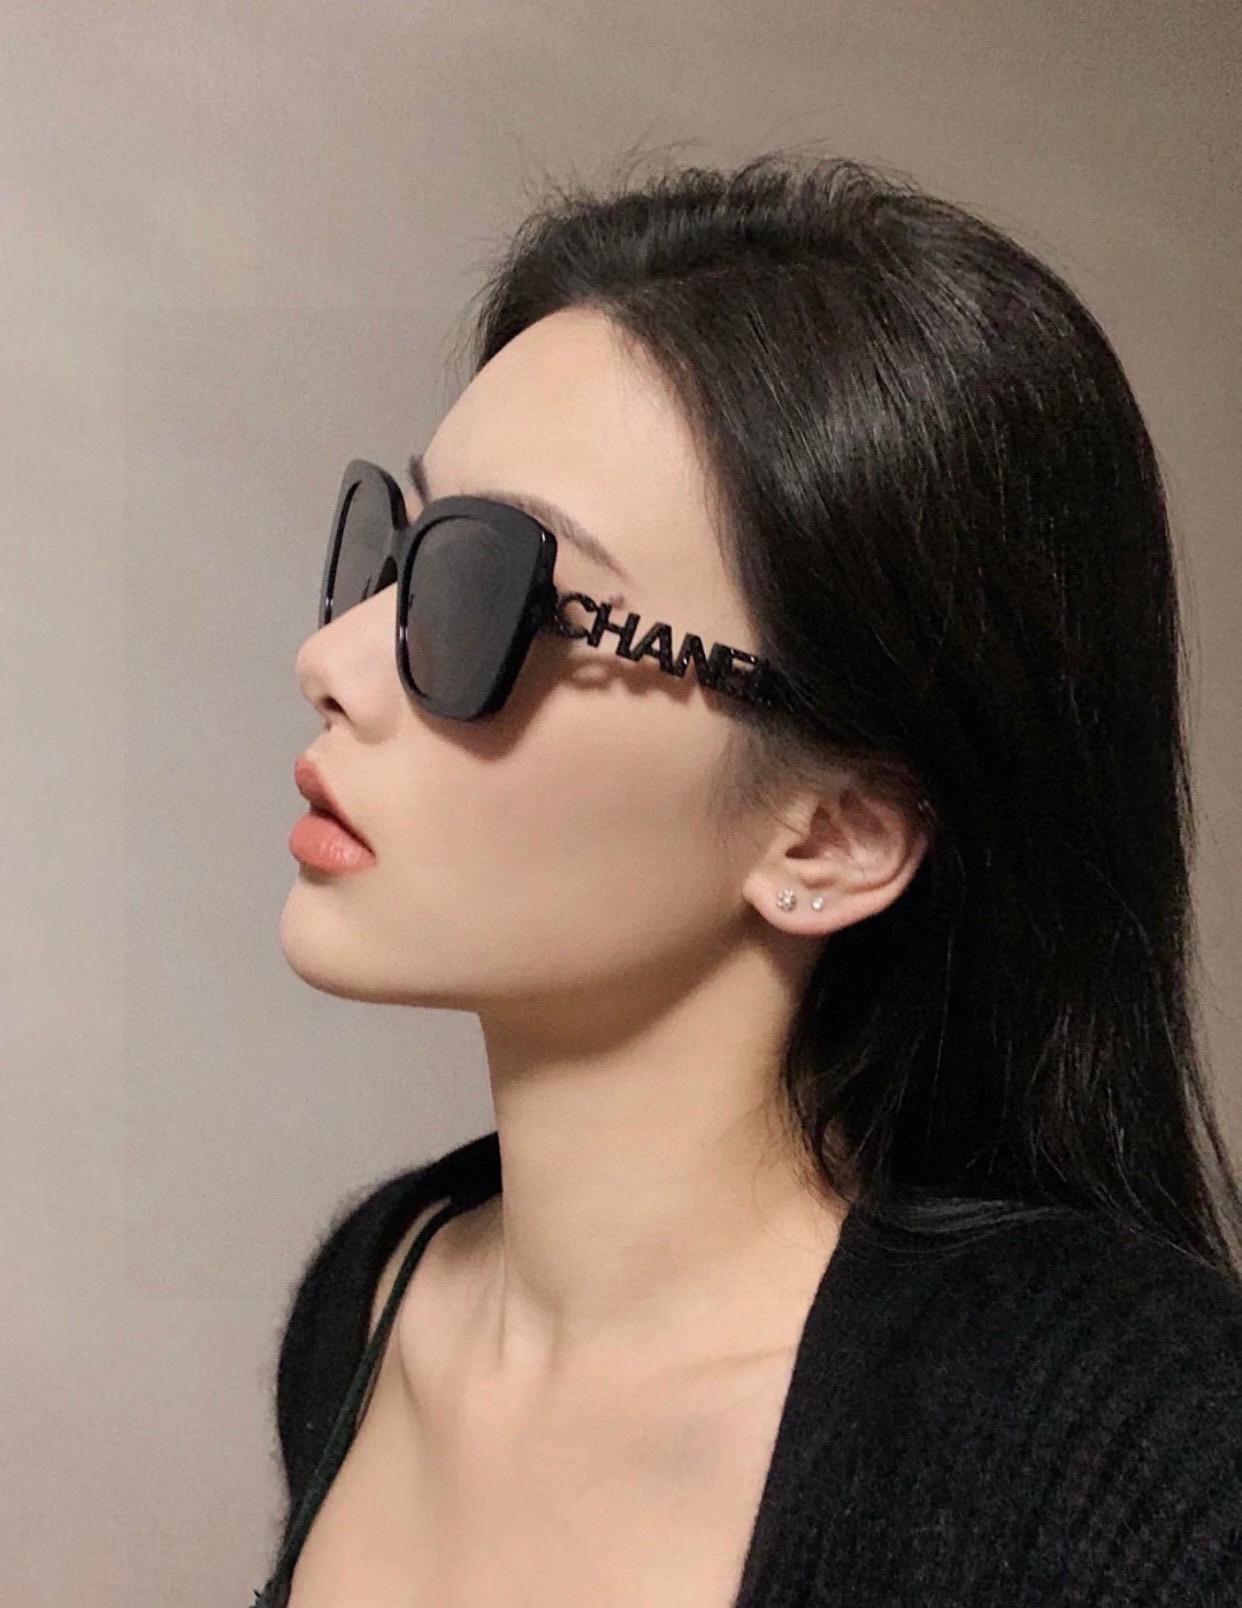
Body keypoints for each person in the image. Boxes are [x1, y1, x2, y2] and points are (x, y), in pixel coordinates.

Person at [254, 150, 1242, 1607]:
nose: (331, 660)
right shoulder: (374, 1296)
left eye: (486, 591)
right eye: (395, 548)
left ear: (831, 835)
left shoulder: (1143, 1465)